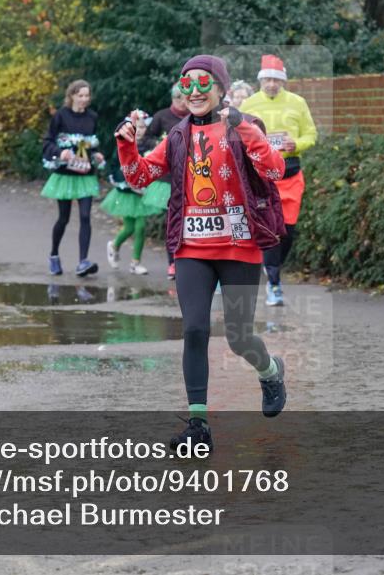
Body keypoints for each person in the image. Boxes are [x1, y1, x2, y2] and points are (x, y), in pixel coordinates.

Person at [114, 54, 288, 452]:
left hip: (240, 247)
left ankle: (270, 370)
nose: (193, 91)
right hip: (192, 248)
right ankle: (198, 427)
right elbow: (140, 176)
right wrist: (126, 144)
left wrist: (243, 127)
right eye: (186, 83)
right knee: (194, 329)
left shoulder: (244, 125)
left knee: (239, 338)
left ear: (221, 88)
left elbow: (275, 169)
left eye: (202, 83)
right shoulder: (177, 135)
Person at [240, 54, 318, 306]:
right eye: (267, 80)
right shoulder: (250, 104)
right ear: (260, 81)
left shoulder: (297, 102)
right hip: (262, 177)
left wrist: (297, 143)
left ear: (283, 81)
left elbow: (311, 135)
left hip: (291, 173)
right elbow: (237, 137)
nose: (272, 84)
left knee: (288, 231)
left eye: (276, 80)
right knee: (271, 228)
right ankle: (274, 283)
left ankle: (271, 265)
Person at [41, 79, 105, 277]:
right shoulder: (61, 116)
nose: (84, 99)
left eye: (87, 95)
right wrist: (60, 153)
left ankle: (83, 262)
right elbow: (47, 142)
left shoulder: (92, 117)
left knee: (85, 216)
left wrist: (96, 154)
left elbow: (91, 144)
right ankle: (54, 255)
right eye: (80, 95)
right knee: (64, 218)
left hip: (85, 174)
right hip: (65, 175)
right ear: (71, 96)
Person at [102, 124, 161, 275]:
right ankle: (114, 246)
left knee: (140, 227)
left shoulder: (151, 145)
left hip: (142, 193)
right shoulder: (124, 143)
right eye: (137, 127)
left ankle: (135, 262)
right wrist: (123, 179)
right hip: (126, 194)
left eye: (143, 127)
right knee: (129, 228)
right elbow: (114, 165)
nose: (140, 130)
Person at [142, 84, 187, 279]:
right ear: (172, 99)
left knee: (186, 221)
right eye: (178, 98)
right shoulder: (161, 116)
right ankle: (172, 263)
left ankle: (188, 260)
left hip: (189, 177)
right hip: (167, 180)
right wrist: (163, 143)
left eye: (184, 98)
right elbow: (146, 139)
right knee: (172, 220)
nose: (182, 102)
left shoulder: (194, 117)